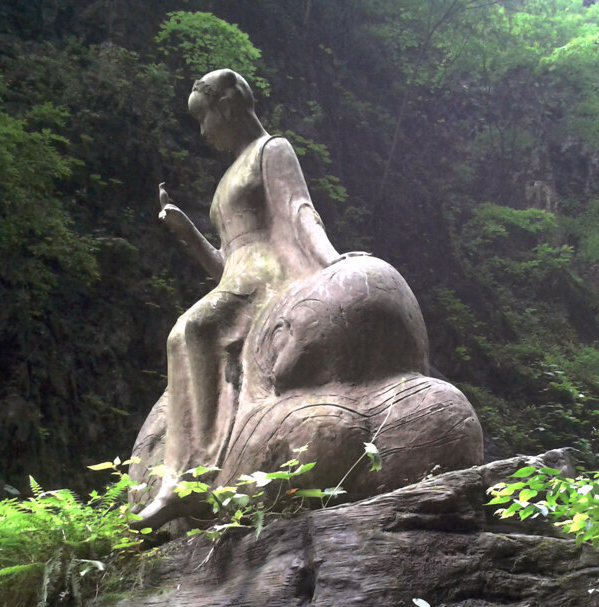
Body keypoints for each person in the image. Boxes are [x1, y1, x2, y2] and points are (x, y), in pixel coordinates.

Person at [133, 70, 482, 529]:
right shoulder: (224, 181)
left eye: (205, 119)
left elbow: (298, 211)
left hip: (264, 282)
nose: (203, 132)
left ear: (228, 106)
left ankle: (190, 476)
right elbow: (224, 262)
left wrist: (332, 260)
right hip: (234, 282)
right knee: (184, 333)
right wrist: (187, 234)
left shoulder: (271, 150)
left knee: (194, 327)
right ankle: (186, 469)